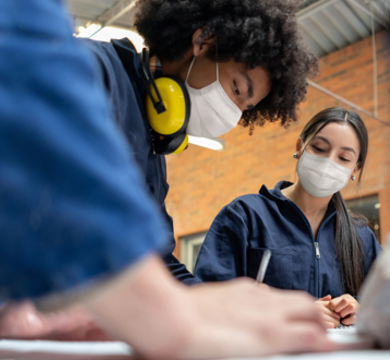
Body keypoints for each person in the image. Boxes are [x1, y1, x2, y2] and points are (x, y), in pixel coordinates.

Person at [0, 0, 333, 358]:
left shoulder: (154, 146)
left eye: (245, 110)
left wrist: (207, 300)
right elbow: (50, 176)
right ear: (203, 40)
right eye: (238, 88)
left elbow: (157, 257)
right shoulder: (90, 70)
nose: (233, 115)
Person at [194, 108, 382, 328]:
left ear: (355, 170)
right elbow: (207, 300)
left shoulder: (361, 238)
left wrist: (363, 311)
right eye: (319, 148)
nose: (328, 162)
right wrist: (289, 312)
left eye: (343, 158)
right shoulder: (245, 216)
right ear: (299, 148)